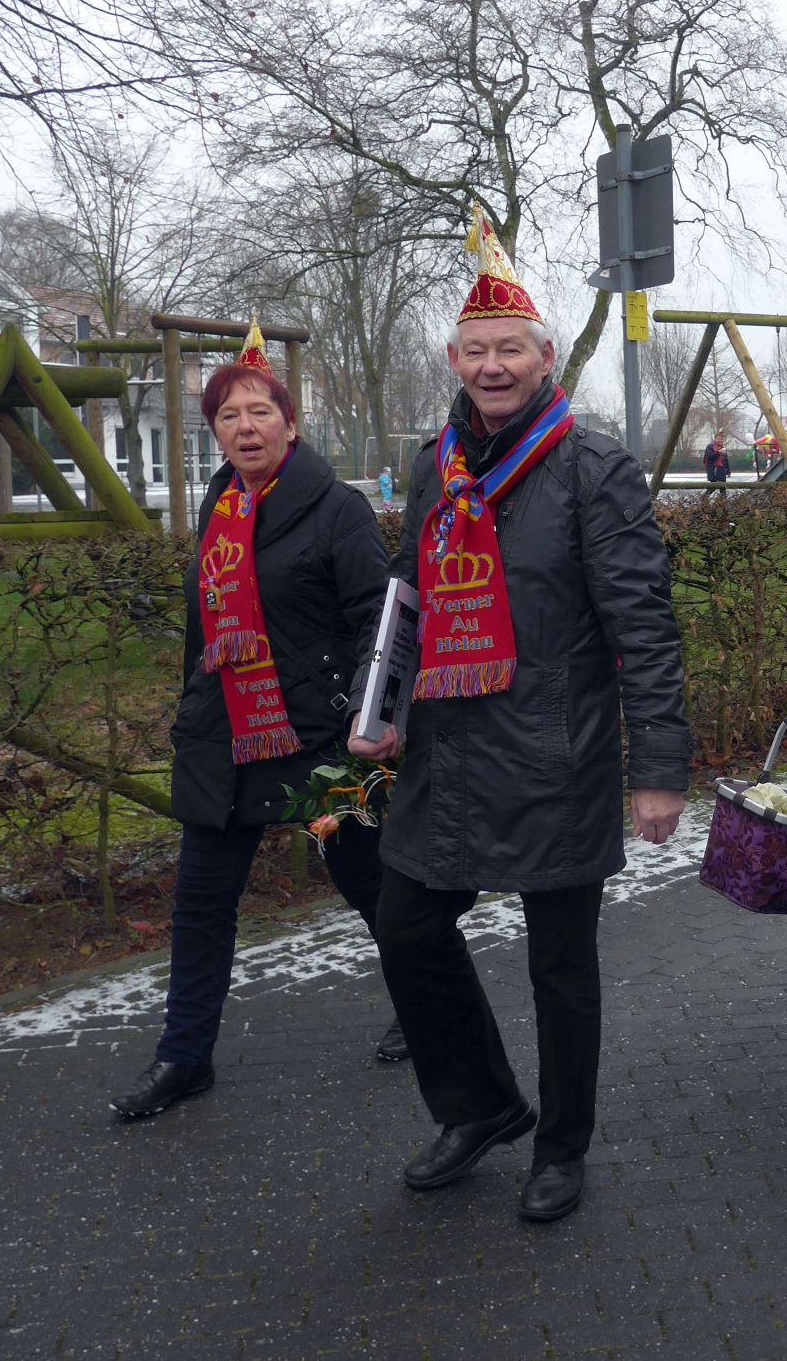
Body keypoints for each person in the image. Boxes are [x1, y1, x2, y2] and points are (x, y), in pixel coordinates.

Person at [348, 217, 690, 1222]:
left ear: (544, 358)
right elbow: (407, 598)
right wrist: (379, 705)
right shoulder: (434, 465)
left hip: (555, 754)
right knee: (407, 927)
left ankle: (562, 1147)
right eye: (476, 351)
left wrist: (656, 770)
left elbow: (643, 627)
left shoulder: (594, 468)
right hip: (447, 753)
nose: (492, 366)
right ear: (454, 361)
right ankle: (480, 1105)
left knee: (560, 968)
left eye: (510, 349)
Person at [111, 319, 400, 1120]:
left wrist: (370, 718)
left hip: (324, 741)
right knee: (202, 902)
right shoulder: (218, 508)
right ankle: (184, 1057)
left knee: (371, 885)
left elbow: (375, 621)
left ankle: (428, 1004)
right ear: (214, 431)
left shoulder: (337, 509)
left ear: (290, 424)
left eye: (260, 412)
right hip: (225, 739)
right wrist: (189, 712)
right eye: (228, 416)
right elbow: (202, 630)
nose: (245, 427)